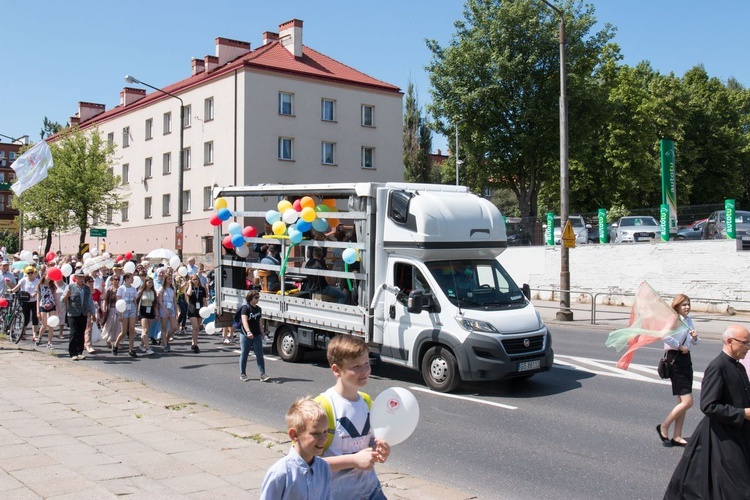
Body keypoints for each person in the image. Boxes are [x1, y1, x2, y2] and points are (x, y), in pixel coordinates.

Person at [664, 324, 750, 498]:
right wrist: (742, 414)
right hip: (723, 436)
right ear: (730, 342)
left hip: (739, 432)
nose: (748, 348)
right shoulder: (717, 367)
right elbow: (709, 405)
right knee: (738, 486)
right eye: (746, 343)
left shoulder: (738, 366)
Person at [316, 335, 390, 499]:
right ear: (336, 370)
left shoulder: (367, 401)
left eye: (366, 363)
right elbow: (307, 464)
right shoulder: (322, 407)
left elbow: (369, 441)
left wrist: (379, 450)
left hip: (371, 491)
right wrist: (354, 460)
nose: (364, 370)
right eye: (356, 366)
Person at [260, 396, 333, 499]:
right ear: (294, 435)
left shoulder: (324, 468)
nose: (323, 438)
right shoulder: (281, 472)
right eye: (315, 434)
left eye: (325, 432)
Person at [657, 294, 700, 447]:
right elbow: (664, 336)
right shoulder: (674, 319)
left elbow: (694, 343)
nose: (687, 307)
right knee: (688, 402)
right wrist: (679, 346)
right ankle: (664, 426)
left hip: (686, 360)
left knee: (682, 401)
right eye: (683, 305)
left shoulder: (688, 320)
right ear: (677, 307)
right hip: (675, 359)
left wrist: (695, 338)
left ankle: (677, 436)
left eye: (688, 304)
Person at [64, 270, 96, 360]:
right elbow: (63, 299)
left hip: (83, 313)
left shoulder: (86, 288)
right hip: (73, 313)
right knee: (74, 332)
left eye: (82, 277)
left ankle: (79, 352)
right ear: (76, 277)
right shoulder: (70, 287)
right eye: (79, 277)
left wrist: (93, 312)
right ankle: (72, 352)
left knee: (81, 333)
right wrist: (66, 295)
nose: (81, 278)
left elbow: (90, 301)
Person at [238, 290, 270, 382]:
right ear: (250, 298)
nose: (257, 299)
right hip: (246, 335)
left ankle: (262, 374)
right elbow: (244, 321)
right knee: (244, 354)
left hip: (256, 335)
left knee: (259, 354)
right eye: (256, 298)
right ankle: (243, 374)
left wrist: (262, 332)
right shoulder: (246, 308)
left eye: (258, 297)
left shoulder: (258, 309)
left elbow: (260, 321)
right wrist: (248, 332)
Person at [11, 266, 40, 341]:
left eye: (31, 272)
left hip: (34, 301)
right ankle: (23, 333)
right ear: (26, 273)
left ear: (34, 273)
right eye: (28, 273)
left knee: (35, 317)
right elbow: (17, 287)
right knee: (25, 317)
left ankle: (34, 334)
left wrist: (34, 294)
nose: (30, 274)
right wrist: (11, 291)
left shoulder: (37, 281)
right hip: (25, 300)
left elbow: (38, 290)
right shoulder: (23, 280)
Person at [114, 273, 139, 357]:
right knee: (124, 331)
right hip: (123, 308)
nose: (133, 280)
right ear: (126, 279)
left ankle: (131, 349)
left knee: (132, 329)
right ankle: (115, 345)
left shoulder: (134, 289)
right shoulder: (121, 288)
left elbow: (135, 301)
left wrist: (136, 313)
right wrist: (119, 314)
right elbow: (118, 300)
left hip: (131, 308)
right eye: (131, 278)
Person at [185, 274, 207, 353]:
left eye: (196, 279)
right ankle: (195, 344)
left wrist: (206, 309)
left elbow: (204, 300)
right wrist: (190, 284)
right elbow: (188, 294)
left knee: (196, 328)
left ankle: (193, 342)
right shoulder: (190, 288)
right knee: (195, 326)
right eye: (193, 279)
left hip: (200, 309)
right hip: (192, 309)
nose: (196, 281)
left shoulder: (202, 289)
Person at [36, 270, 57, 348]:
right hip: (43, 305)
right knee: (44, 325)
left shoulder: (52, 286)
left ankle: (49, 342)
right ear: (45, 275)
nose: (50, 278)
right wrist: (38, 310)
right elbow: (38, 299)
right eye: (49, 276)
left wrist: (58, 307)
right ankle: (39, 337)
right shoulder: (40, 285)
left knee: (51, 325)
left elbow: (55, 297)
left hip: (52, 305)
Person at [158, 272, 178, 352]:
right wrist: (164, 309)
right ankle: (165, 344)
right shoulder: (162, 289)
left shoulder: (173, 289)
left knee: (174, 327)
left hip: (171, 308)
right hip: (164, 308)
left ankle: (166, 339)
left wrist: (176, 310)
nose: (170, 280)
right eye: (169, 279)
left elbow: (174, 301)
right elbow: (160, 300)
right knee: (164, 327)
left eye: (171, 279)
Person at [100, 275, 122, 349]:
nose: (117, 281)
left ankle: (117, 342)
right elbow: (105, 299)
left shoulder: (120, 289)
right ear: (112, 281)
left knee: (119, 326)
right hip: (111, 309)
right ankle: (108, 339)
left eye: (118, 279)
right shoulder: (109, 290)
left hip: (119, 309)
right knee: (109, 324)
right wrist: (104, 308)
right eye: (115, 279)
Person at [136, 276, 156, 355]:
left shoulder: (153, 292)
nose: (150, 284)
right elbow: (137, 301)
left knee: (147, 330)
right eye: (149, 282)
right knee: (144, 329)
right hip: (143, 311)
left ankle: (142, 344)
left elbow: (155, 303)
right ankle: (148, 348)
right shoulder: (141, 291)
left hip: (150, 310)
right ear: (145, 283)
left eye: (151, 282)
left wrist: (156, 312)